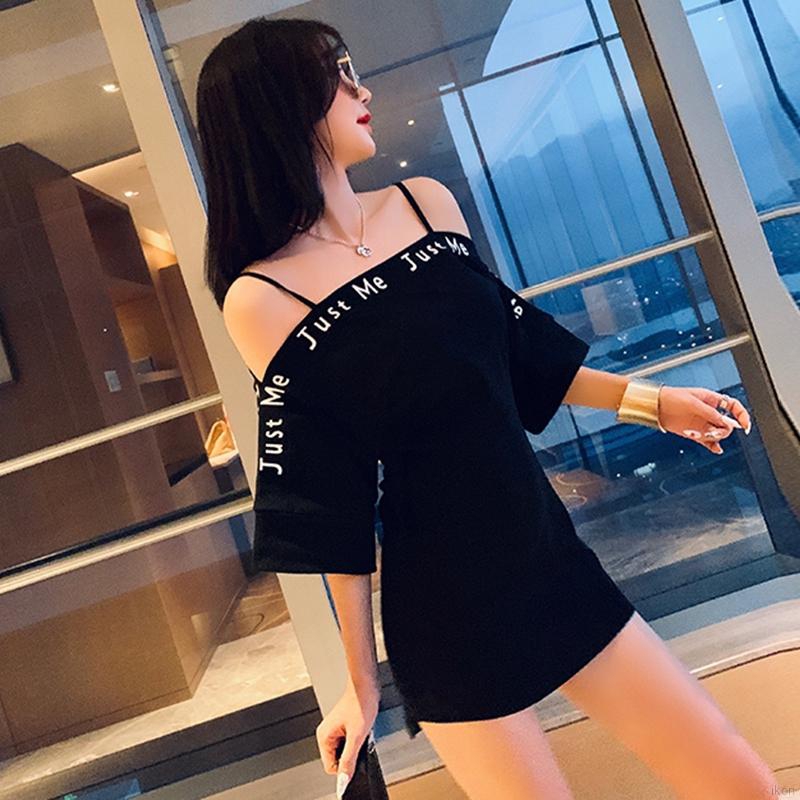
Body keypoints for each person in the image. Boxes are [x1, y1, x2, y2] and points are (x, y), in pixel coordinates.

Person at [196, 16, 782, 800]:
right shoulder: (262, 298)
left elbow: (516, 350)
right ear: (279, 104)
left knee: (740, 782)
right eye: (337, 75)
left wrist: (654, 403)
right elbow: (327, 498)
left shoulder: (425, 205)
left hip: (548, 558)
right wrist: (359, 685)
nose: (362, 90)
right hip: (444, 615)